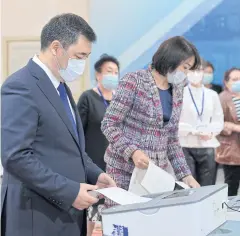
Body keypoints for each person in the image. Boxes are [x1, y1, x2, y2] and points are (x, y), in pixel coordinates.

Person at [1, 13, 115, 236]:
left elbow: (70, 149)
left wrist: (95, 174)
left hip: (66, 215)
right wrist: (70, 191)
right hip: (37, 216)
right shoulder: (21, 86)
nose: (82, 64)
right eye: (79, 56)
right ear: (56, 47)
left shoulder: (61, 87)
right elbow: (15, 156)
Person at [101, 36, 201, 207]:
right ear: (170, 59)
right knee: (121, 226)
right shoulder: (134, 81)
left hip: (155, 176)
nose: (185, 74)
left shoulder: (177, 89)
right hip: (123, 171)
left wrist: (186, 175)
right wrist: (132, 152)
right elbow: (109, 124)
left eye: (189, 69)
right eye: (184, 67)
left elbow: (171, 138)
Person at [77, 54, 120, 235]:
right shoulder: (88, 97)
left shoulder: (120, 100)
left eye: (116, 72)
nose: (113, 75)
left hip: (117, 164)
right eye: (109, 71)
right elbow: (77, 131)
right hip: (94, 162)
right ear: (98, 74)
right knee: (93, 210)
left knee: (113, 209)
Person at [179, 63, 224, 186]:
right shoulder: (179, 93)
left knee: (208, 186)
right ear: (186, 72)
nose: (196, 74)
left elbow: (218, 120)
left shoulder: (212, 94)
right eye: (192, 71)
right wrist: (193, 131)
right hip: (185, 144)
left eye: (199, 70)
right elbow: (174, 121)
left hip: (207, 144)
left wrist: (210, 132)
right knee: (189, 187)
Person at [216, 67, 240, 196]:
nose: (238, 82)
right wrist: (233, 127)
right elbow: (217, 124)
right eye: (235, 79)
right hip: (232, 152)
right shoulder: (221, 98)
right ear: (226, 82)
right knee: (232, 187)